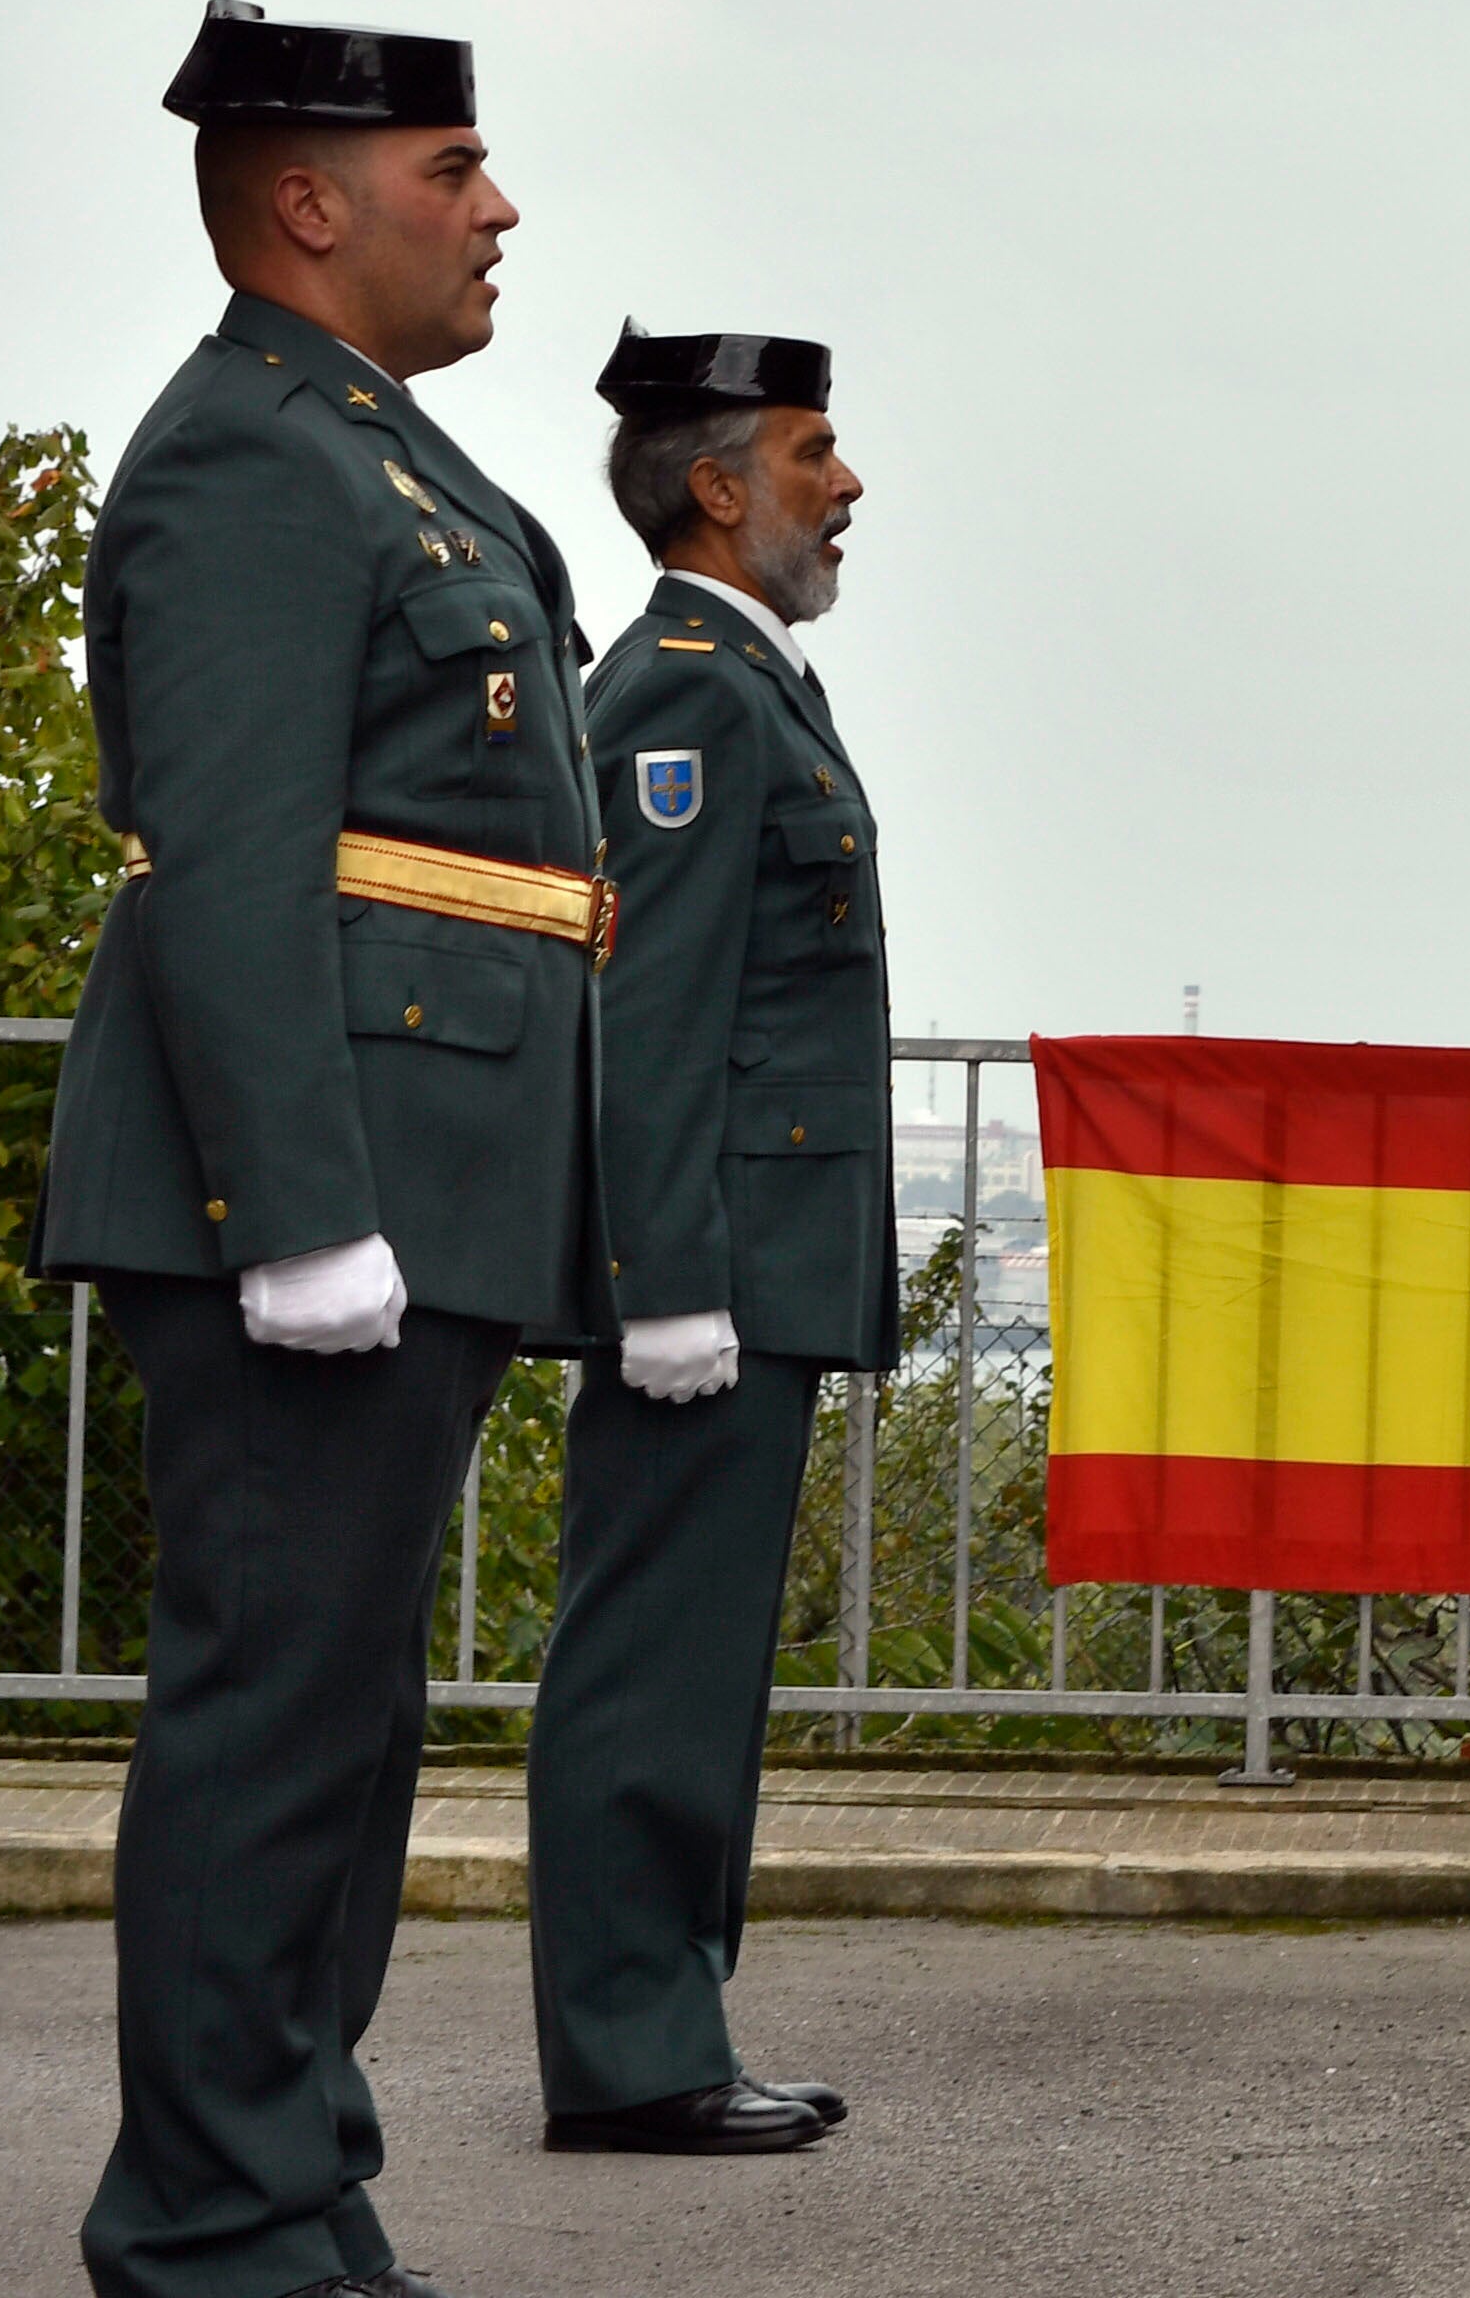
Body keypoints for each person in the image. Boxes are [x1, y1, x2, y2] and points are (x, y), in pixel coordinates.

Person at [41, 1, 612, 2298]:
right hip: (321, 1187)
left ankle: (284, 2170)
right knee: (276, 1699)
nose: (496, 208)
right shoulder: (250, 459)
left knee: (345, 1709)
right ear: (309, 199)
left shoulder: (376, 451)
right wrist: (296, 1213)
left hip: (425, 1162)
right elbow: (237, 855)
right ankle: (206, 2218)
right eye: (454, 167)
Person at [519, 327, 893, 2158]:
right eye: (815, 452)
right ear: (719, 487)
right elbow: (644, 1008)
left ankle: (666, 2016)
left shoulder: (750, 683)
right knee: (652, 1657)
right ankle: (631, 2047)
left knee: (695, 1653)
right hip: (711, 1267)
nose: (848, 486)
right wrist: (660, 1282)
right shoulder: (679, 686)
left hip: (753, 1251)